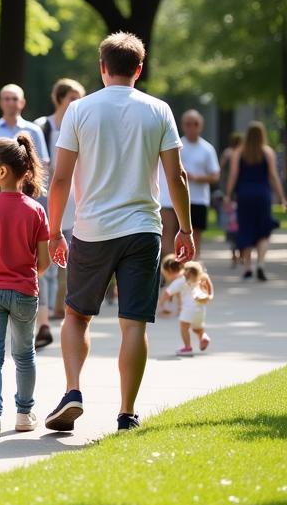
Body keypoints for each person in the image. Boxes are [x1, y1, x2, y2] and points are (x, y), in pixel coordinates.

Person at [45, 32, 194, 434]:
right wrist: (184, 228)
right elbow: (176, 174)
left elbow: (60, 178)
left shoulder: (79, 111)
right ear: (139, 69)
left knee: (76, 315)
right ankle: (127, 412)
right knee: (133, 323)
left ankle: (73, 390)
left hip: (92, 229)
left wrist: (54, 230)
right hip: (143, 229)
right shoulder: (159, 110)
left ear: (102, 67)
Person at [0, 135, 50, 438]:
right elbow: (44, 262)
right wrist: (26, 272)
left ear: (3, 172)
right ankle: (24, 414)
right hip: (25, 292)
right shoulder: (36, 211)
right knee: (25, 354)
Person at [33, 78, 85, 348]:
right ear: (60, 99)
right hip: (47, 198)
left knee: (71, 255)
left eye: (79, 97)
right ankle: (44, 312)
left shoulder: (83, 123)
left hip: (75, 198)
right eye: (71, 97)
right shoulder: (43, 126)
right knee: (45, 260)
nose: (76, 102)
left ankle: (59, 307)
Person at [225, 120, 287, 280]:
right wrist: (281, 197)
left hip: (244, 195)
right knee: (263, 231)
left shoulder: (239, 152)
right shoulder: (268, 152)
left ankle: (247, 267)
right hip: (263, 195)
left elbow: (233, 176)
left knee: (245, 229)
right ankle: (260, 263)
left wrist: (228, 194)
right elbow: (273, 176)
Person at [159, 110, 219, 259]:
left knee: (194, 238)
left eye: (195, 124)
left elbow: (215, 176)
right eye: (188, 124)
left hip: (197, 199)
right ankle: (170, 271)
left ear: (201, 126)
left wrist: (196, 178)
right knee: (169, 234)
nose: (192, 127)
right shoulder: (176, 145)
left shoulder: (207, 149)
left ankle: (190, 272)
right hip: (172, 198)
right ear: (182, 126)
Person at [0, 84, 49, 168]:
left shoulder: (34, 130)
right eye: (7, 99)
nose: (11, 102)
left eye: (15, 99)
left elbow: (43, 163)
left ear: (22, 102)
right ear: (0, 102)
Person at [162, 261, 213, 355]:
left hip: (188, 310)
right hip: (200, 310)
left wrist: (161, 304)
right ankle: (203, 337)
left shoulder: (181, 281)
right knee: (197, 328)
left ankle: (187, 347)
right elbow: (209, 292)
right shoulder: (200, 280)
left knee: (184, 327)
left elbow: (168, 292)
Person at [217, 132, 243, 266]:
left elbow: (219, 169)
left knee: (231, 224)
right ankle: (242, 253)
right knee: (240, 223)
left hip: (228, 192)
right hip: (238, 192)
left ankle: (235, 254)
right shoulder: (241, 154)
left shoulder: (228, 153)